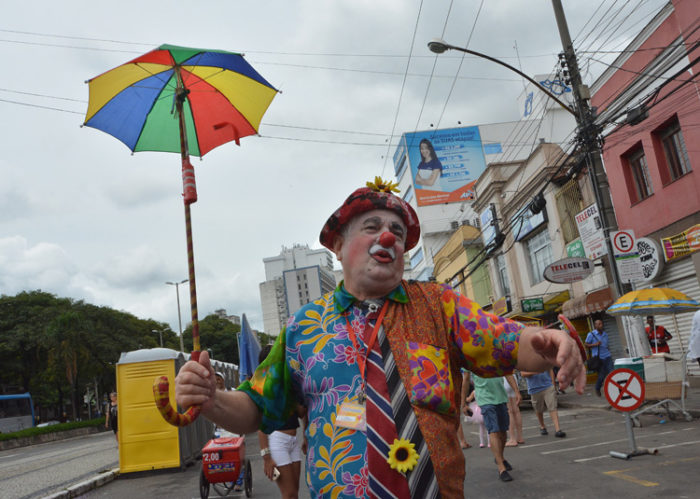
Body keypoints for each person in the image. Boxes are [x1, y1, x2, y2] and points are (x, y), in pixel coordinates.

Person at [175, 177, 586, 498]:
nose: (388, 237)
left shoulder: (437, 305)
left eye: (397, 231)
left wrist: (546, 341)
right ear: (337, 245)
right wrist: (212, 398)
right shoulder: (303, 329)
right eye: (371, 227)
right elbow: (258, 406)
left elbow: (505, 341)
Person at [256, 345, 305, 499]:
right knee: (289, 494)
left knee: (294, 492)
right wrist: (266, 458)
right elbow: (260, 423)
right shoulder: (262, 385)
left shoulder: (288, 383)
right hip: (276, 441)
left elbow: (302, 413)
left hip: (293, 441)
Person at [470, 373, 520, 482]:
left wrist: (516, 391)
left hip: (501, 397)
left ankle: (500, 458)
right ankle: (501, 469)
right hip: (485, 399)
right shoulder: (472, 358)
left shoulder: (498, 356)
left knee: (503, 432)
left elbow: (508, 373)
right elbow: (465, 380)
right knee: (494, 431)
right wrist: (463, 404)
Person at [521, 369, 566, 438]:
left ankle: (558, 429)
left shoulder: (544, 358)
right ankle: (542, 426)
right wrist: (535, 372)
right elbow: (523, 374)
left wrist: (553, 384)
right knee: (538, 409)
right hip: (534, 389)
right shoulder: (526, 360)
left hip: (548, 386)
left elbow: (550, 369)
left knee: (552, 406)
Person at [585, 319, 613, 397]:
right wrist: (595, 344)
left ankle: (614, 388)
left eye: (601, 323)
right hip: (599, 358)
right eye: (599, 324)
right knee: (601, 375)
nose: (601, 325)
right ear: (595, 326)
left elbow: (606, 345)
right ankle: (597, 388)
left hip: (607, 356)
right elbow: (586, 345)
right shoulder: (591, 334)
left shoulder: (605, 334)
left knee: (612, 372)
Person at [503, 373, 524, 446]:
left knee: (509, 411)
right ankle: (520, 437)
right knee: (516, 410)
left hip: (504, 378)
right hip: (513, 378)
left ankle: (512, 439)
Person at [457, 369, 472, 449]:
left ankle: (462, 441)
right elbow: (466, 375)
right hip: (458, 387)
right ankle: (462, 441)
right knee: (456, 416)